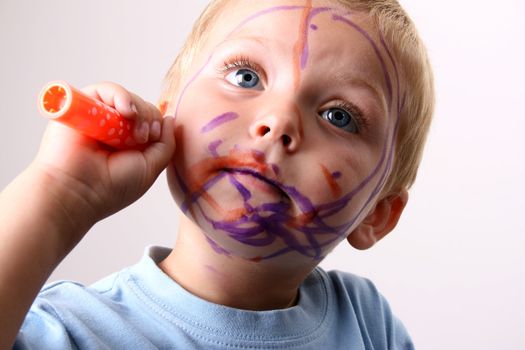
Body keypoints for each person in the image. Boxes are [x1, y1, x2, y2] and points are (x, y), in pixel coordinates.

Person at [0, 0, 434, 348]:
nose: (278, 120)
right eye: (246, 76)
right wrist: (58, 195)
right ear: (166, 112)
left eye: (339, 116)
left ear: (377, 213)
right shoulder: (69, 331)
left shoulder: (365, 322)